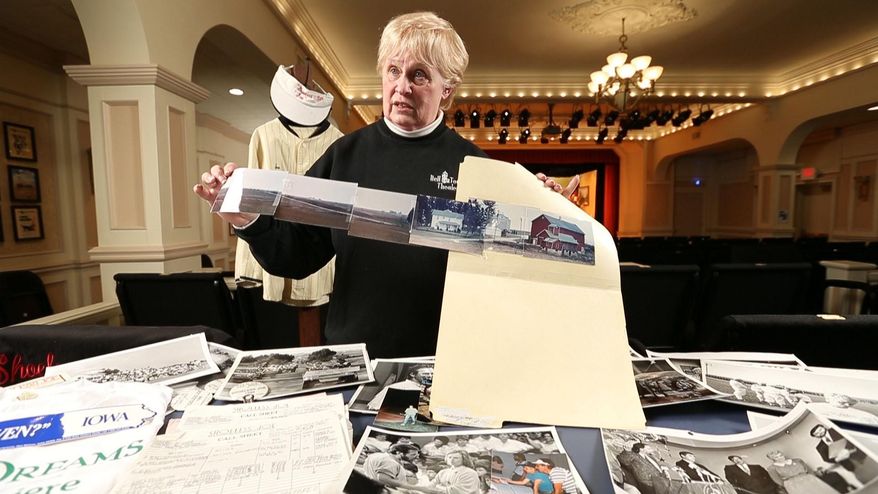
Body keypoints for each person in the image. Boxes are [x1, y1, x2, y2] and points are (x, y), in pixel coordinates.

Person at [194, 11, 577, 358]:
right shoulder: (343, 156)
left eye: (420, 75)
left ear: (447, 90)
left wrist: (544, 218)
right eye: (394, 71)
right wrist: (247, 220)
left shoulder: (477, 167)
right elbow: (296, 255)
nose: (403, 86)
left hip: (447, 360)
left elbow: (512, 275)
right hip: (356, 357)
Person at [765, 450, 836, 494]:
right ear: (772, 459)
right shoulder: (772, 468)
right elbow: (778, 481)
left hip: (809, 479)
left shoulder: (797, 460)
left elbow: (809, 470)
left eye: (780, 455)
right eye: (777, 457)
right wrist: (791, 485)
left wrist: (813, 477)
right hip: (794, 485)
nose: (781, 457)